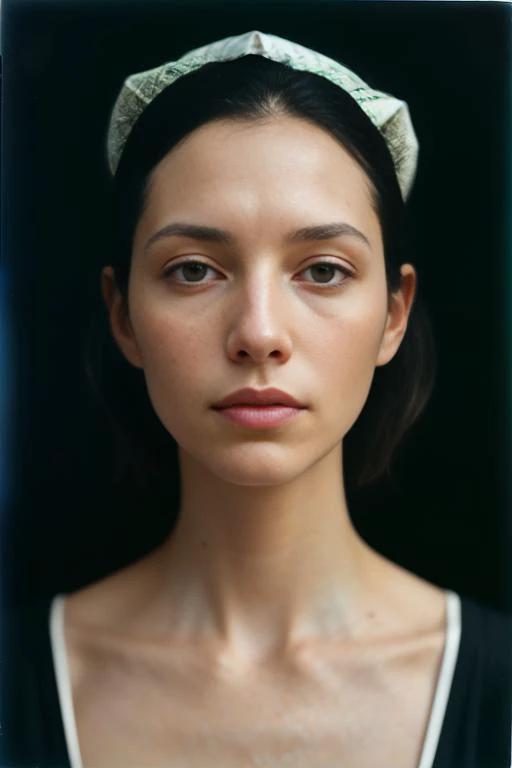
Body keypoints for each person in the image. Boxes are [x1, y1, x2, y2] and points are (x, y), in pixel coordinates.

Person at [2, 30, 511, 768]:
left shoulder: (493, 688)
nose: (259, 334)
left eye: (325, 271)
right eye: (194, 270)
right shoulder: (20, 683)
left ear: (394, 315)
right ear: (123, 317)